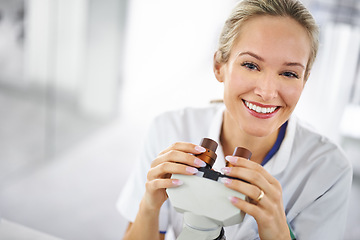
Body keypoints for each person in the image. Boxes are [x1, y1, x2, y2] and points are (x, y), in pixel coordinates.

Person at [118, 0, 353, 239]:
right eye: (251, 65)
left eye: (289, 73)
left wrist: (278, 232)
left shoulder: (330, 169)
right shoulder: (169, 128)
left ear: (304, 80)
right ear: (219, 66)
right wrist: (149, 206)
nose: (267, 92)